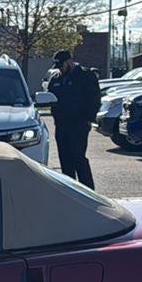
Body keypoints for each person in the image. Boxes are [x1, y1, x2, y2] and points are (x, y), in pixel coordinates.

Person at [45, 48, 99, 188]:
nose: (60, 69)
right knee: (65, 160)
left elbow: (94, 99)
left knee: (78, 158)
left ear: (69, 61)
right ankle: (70, 191)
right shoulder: (56, 79)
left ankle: (88, 191)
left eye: (62, 65)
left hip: (78, 125)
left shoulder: (85, 76)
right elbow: (50, 97)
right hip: (61, 125)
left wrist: (88, 119)